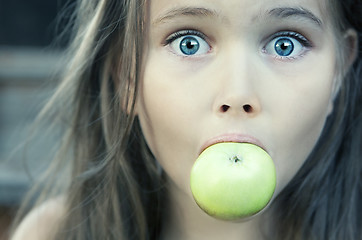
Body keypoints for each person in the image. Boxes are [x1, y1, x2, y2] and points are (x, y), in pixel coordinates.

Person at [10, 0, 361, 239]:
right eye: (188, 43)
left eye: (286, 44)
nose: (237, 94)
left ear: (337, 75)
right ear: (126, 76)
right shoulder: (55, 233)